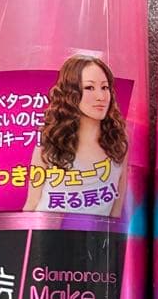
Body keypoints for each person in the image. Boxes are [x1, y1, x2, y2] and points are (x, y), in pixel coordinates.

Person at [24, 55, 128, 217]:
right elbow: (32, 203)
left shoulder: (118, 143)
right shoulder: (49, 146)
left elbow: (116, 209)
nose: (101, 97)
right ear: (70, 93)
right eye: (89, 88)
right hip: (49, 231)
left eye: (105, 87)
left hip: (98, 233)